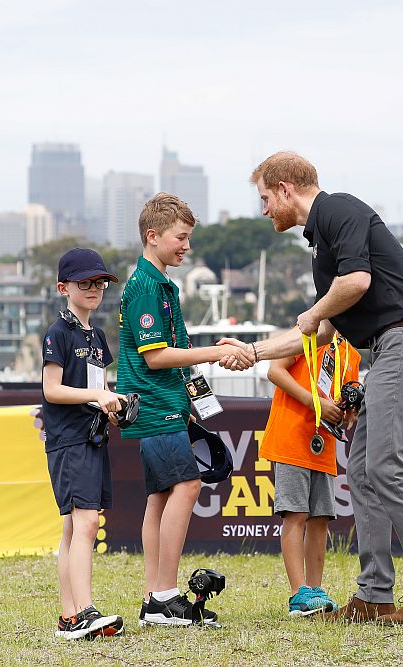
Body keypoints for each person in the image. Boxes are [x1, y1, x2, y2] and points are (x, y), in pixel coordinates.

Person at [246, 152, 403, 624]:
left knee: (384, 465)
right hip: (384, 350)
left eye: (264, 198)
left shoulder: (338, 209)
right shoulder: (322, 242)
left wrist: (316, 311)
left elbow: (355, 283)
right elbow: (318, 335)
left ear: (284, 188)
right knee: (360, 470)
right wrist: (255, 351)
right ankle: (375, 594)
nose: (263, 211)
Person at [116, 192, 251, 626]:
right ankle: (165, 596)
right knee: (187, 487)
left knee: (160, 497)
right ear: (152, 237)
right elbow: (155, 356)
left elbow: (171, 354)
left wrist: (191, 401)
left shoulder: (163, 285)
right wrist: (214, 352)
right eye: (181, 237)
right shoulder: (143, 287)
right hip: (155, 407)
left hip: (167, 404)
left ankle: (155, 596)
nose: (186, 246)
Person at [41, 247, 125, 639]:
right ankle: (82, 613)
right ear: (64, 288)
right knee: (86, 523)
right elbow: (51, 389)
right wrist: (97, 397)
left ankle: (70, 617)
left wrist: (110, 403)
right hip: (68, 439)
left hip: (91, 436)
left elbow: (98, 386)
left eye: (100, 282)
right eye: (85, 283)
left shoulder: (97, 336)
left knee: (73, 530)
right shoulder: (58, 333)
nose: (94, 289)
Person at [260, 334, 361, 617]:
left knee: (320, 518)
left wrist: (349, 410)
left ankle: (315, 590)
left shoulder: (350, 352)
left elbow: (342, 397)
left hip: (323, 444)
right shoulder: (307, 334)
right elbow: (274, 371)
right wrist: (315, 402)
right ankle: (298, 593)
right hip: (291, 438)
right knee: (295, 514)